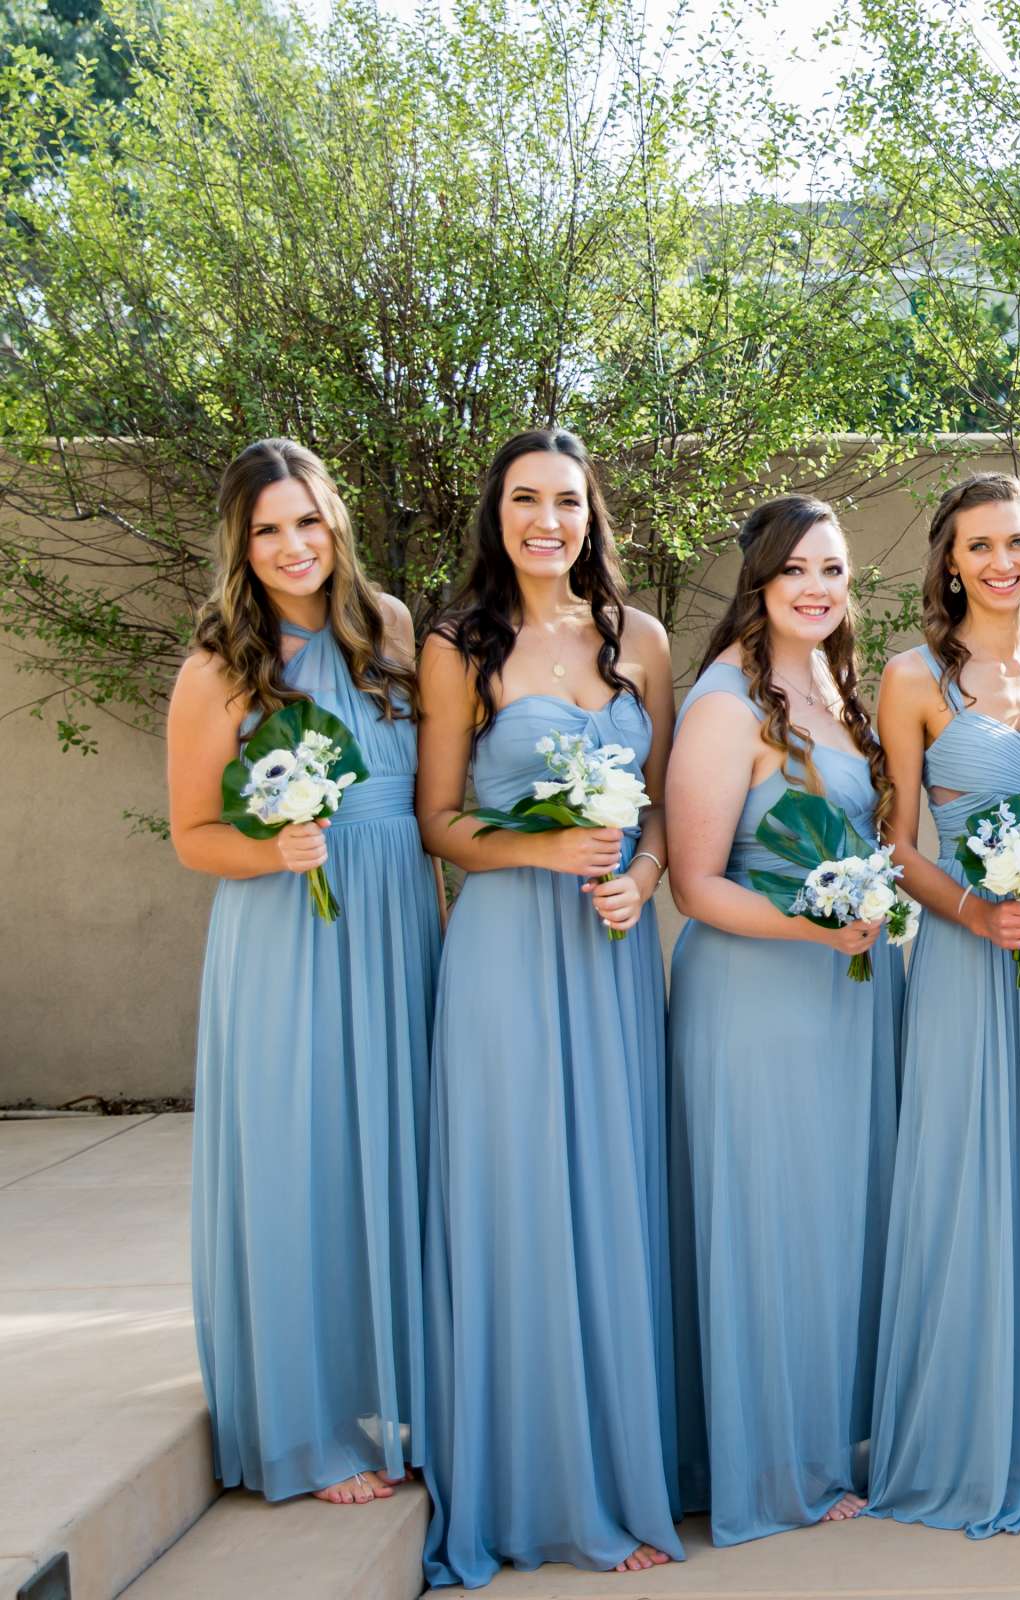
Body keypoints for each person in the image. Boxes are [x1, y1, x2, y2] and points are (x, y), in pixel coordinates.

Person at [416, 428, 680, 1586]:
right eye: (526, 499)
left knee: (610, 1193)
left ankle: (624, 1471)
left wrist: (640, 874)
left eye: (567, 501)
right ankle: (537, 1483)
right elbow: (438, 819)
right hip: (508, 955)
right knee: (520, 1194)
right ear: (497, 511)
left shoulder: (644, 643)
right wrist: (541, 849)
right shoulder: (456, 645)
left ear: (591, 516)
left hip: (614, 950)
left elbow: (668, 807)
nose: (547, 520)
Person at [166, 438, 434, 1508]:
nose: (292, 547)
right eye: (268, 529)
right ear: (240, 542)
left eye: (308, 522)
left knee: (395, 1153)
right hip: (288, 930)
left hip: (396, 924)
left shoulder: (394, 631)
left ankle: (400, 1401)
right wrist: (275, 848)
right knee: (305, 1161)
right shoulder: (220, 667)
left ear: (338, 522)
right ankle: (314, 1431)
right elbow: (192, 832)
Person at [865, 475, 1020, 1536]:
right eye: (980, 546)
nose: (1002, 561)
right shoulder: (913, 677)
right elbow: (898, 846)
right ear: (948, 560)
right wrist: (969, 911)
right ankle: (963, 1433)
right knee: (962, 1175)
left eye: (1018, 543)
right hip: (966, 953)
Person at [666, 496, 904, 1544]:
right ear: (759, 580)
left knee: (830, 1225)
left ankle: (817, 1439)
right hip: (760, 997)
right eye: (798, 568)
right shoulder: (727, 703)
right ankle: (770, 1471)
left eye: (835, 571)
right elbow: (693, 884)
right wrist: (817, 932)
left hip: (848, 998)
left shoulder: (837, 688)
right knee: (766, 1225)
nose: (818, 587)